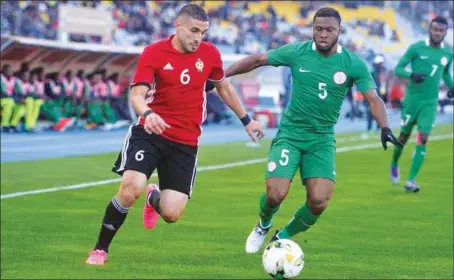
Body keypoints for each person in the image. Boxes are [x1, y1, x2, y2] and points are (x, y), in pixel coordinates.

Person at [86, 4, 264, 265]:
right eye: (194, 30)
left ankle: (153, 197)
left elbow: (223, 86)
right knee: (130, 188)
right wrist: (148, 114)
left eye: (203, 32)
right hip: (149, 133)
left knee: (171, 213)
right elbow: (136, 95)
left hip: (186, 142)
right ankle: (100, 249)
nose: (198, 38)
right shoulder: (154, 53)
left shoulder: (210, 54)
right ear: (177, 26)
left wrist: (246, 120)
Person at [222, 7, 401, 253]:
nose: (323, 34)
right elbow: (257, 60)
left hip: (321, 140)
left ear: (339, 31)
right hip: (291, 135)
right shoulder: (297, 52)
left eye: (329, 29)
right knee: (275, 195)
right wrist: (221, 75)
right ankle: (263, 224)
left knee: (319, 201)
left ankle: (281, 237)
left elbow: (373, 98)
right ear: (312, 30)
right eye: (319, 29)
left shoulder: (352, 63)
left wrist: (384, 126)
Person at [390, 16, 453, 192]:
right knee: (403, 137)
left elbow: (446, 72)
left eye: (441, 30)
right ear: (429, 30)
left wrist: (451, 86)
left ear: (445, 32)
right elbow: (398, 69)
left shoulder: (448, 53)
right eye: (435, 29)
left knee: (423, 137)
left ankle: (410, 180)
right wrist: (412, 75)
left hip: (430, 103)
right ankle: (394, 163)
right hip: (412, 101)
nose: (437, 33)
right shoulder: (416, 48)